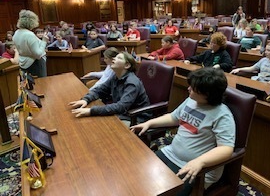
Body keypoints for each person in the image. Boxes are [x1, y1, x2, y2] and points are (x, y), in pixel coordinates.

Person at [130, 67, 235, 195]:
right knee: (137, 177)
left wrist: (200, 161)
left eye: (193, 87)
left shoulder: (222, 115)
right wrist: (150, 123)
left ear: (207, 94)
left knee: (161, 192)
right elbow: (174, 118)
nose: (188, 88)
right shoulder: (192, 100)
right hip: (171, 153)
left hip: (194, 168)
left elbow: (226, 149)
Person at [69, 52, 150, 127]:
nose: (114, 58)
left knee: (101, 127)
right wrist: (86, 100)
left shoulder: (132, 83)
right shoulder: (115, 76)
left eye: (119, 58)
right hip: (122, 113)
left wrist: (91, 111)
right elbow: (100, 90)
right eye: (115, 57)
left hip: (136, 117)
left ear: (127, 65)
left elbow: (121, 107)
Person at [13, 10, 49, 77]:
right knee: (42, 84)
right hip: (35, 63)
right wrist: (44, 41)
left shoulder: (17, 32)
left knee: (29, 85)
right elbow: (38, 55)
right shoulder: (29, 34)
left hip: (23, 63)